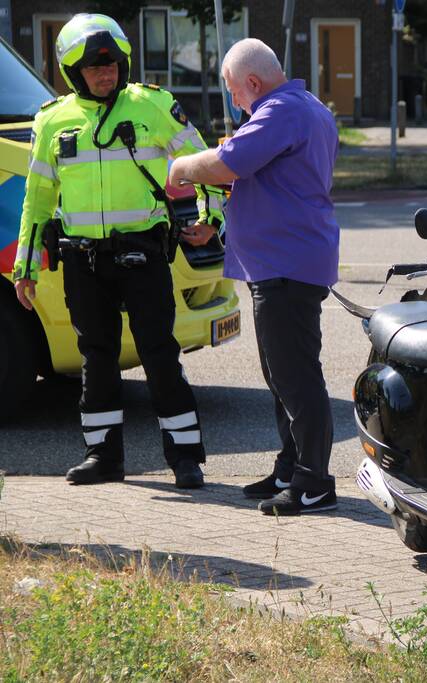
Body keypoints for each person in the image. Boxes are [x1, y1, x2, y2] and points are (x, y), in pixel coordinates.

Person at [13, 13, 225, 489]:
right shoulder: (52, 121)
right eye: (93, 69)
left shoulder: (154, 106)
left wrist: (211, 221)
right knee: (97, 356)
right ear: (74, 73)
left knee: (159, 353)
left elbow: (207, 164)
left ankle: (186, 458)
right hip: (83, 260)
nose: (105, 74)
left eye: (111, 66)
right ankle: (103, 456)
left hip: (144, 253)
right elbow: (38, 200)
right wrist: (24, 267)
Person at [170, 38, 340, 516]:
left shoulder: (281, 110)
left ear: (251, 82)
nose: (233, 102)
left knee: (295, 374)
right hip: (285, 261)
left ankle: (315, 482)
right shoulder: (304, 107)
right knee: (280, 371)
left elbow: (228, 163)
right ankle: (291, 467)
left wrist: (181, 167)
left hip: (288, 264)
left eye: (232, 90)